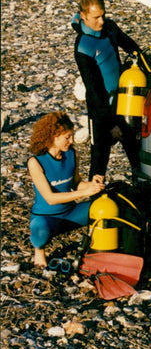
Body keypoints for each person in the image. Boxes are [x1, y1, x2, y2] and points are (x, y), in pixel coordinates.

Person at [72, 0, 142, 178]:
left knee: (136, 153)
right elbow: (94, 90)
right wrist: (111, 124)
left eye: (103, 15)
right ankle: (94, 200)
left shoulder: (110, 28)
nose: (101, 21)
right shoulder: (84, 46)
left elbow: (129, 44)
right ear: (83, 15)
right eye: (96, 17)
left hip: (124, 100)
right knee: (99, 161)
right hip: (101, 110)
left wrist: (142, 58)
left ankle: (143, 189)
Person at [28, 112, 105, 267]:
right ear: (53, 136)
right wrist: (84, 193)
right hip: (47, 217)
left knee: (103, 207)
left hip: (71, 214)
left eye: (72, 136)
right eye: (67, 137)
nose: (71, 141)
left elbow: (75, 183)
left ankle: (100, 247)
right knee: (40, 230)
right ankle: (39, 251)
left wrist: (92, 185)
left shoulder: (72, 154)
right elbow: (50, 198)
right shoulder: (35, 162)